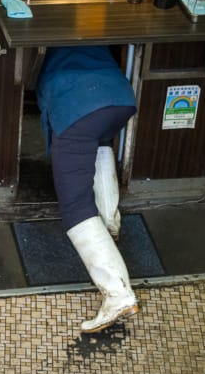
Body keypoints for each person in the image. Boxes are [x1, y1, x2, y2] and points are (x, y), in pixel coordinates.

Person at [36, 45, 139, 332]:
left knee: (75, 206)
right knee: (100, 143)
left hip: (78, 109)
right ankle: (109, 226)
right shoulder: (88, 27)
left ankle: (118, 295)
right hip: (119, 101)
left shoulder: (47, 48)